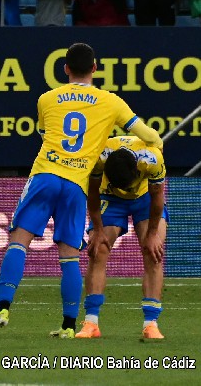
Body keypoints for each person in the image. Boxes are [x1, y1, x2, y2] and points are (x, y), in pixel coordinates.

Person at [0, 42, 163, 339]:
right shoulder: (111, 102)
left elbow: (45, 134)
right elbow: (149, 135)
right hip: (76, 184)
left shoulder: (46, 99)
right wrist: (152, 147)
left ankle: (2, 308)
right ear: (95, 68)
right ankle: (67, 326)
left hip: (46, 175)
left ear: (65, 69)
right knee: (69, 257)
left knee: (18, 242)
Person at [75, 136, 167, 340]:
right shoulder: (98, 156)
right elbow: (92, 193)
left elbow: (158, 196)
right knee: (97, 251)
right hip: (110, 198)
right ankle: (91, 323)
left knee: (153, 253)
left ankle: (151, 324)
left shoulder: (152, 158)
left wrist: (152, 234)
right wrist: (98, 229)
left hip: (145, 198)